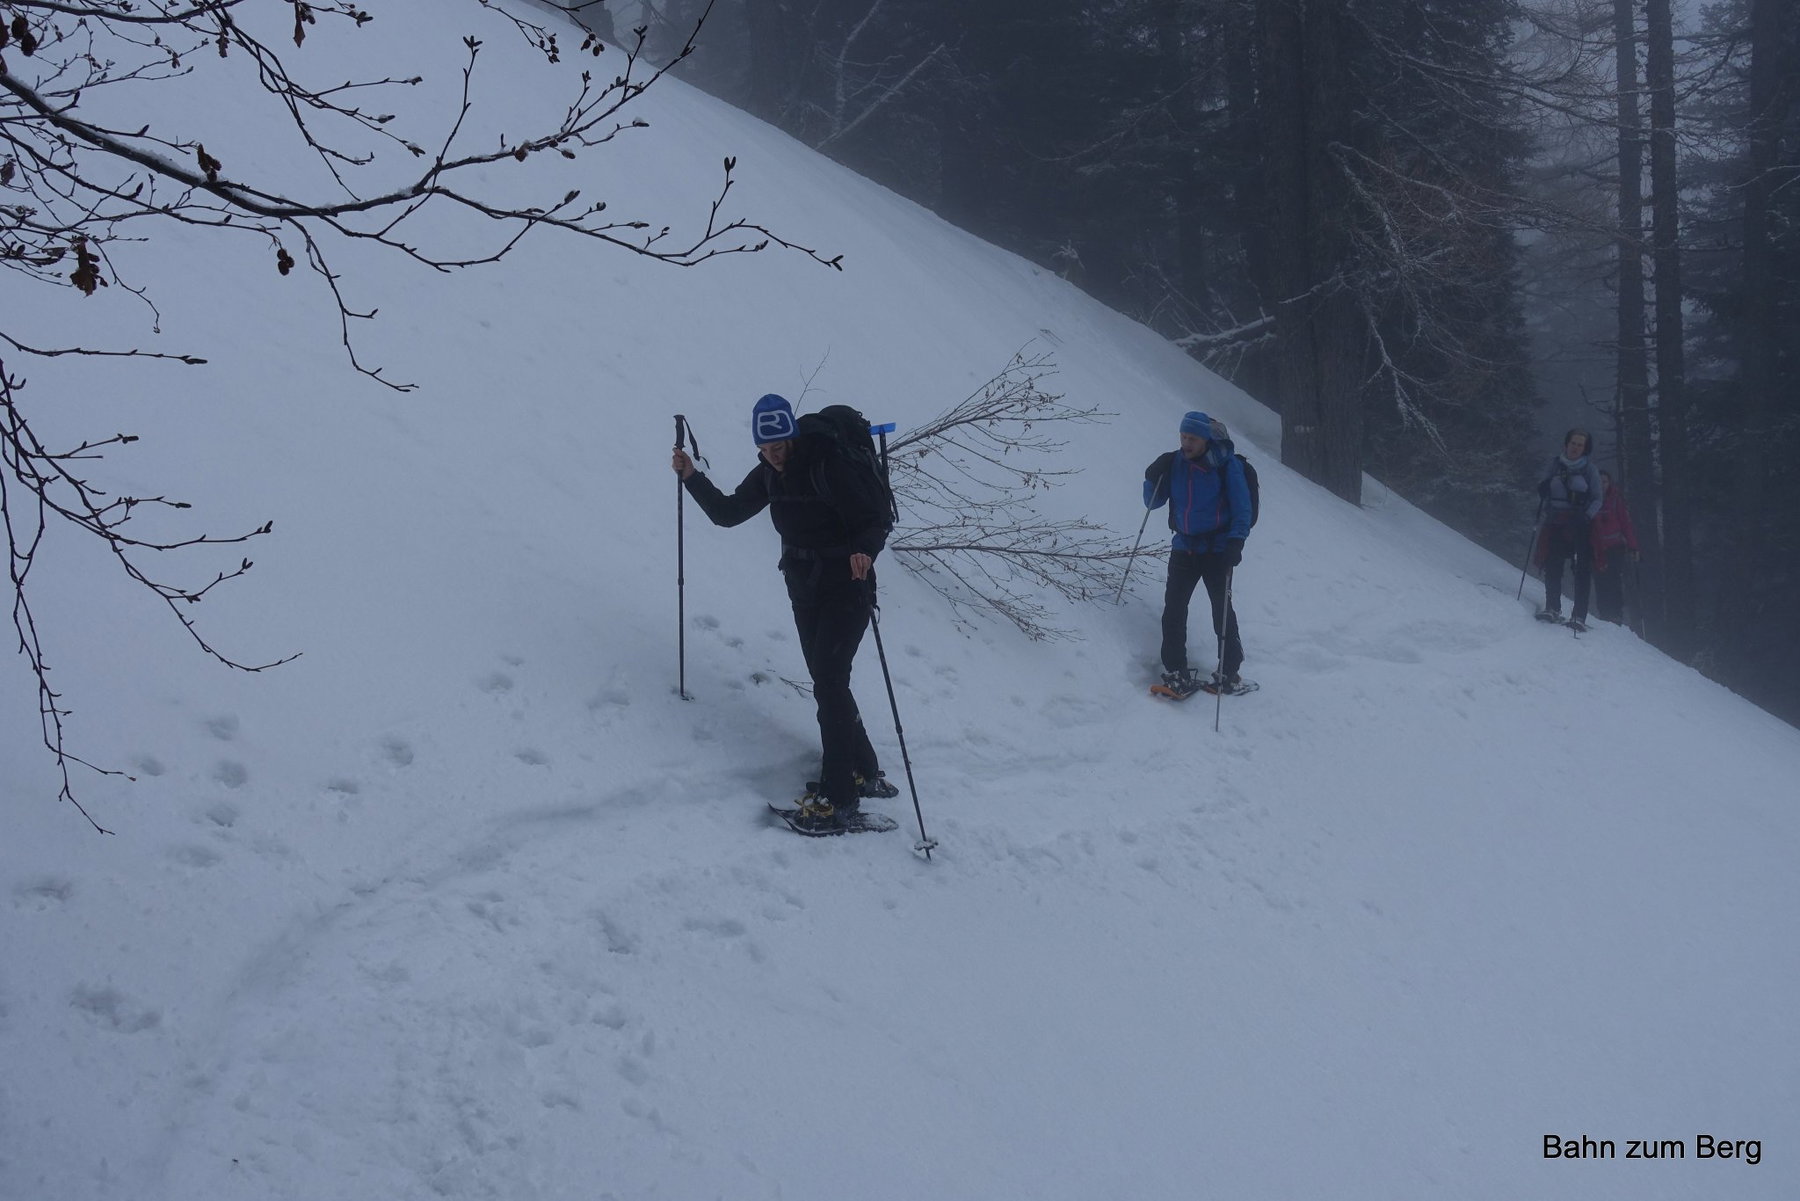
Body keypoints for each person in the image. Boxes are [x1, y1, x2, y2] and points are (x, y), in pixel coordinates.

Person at [672, 393, 896, 827]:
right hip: (803, 587)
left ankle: (840, 798)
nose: (774, 456)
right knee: (827, 681)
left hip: (847, 586)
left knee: (830, 683)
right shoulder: (768, 474)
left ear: (792, 437)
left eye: (780, 447)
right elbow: (727, 513)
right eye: (766, 448)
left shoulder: (829, 466)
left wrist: (866, 552)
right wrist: (691, 477)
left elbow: (877, 517)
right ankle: (861, 770)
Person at [1144, 410, 1252, 697]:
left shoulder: (1227, 466)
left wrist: (1236, 543)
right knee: (1174, 610)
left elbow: (1243, 508)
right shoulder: (1175, 463)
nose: (1186, 443)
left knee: (1222, 611)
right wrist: (1152, 476)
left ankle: (1230, 671)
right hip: (1184, 547)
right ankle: (1176, 672)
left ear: (1205, 440)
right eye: (1183, 437)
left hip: (1218, 550)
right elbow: (1151, 503)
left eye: (1192, 438)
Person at [1534, 427, 1604, 631]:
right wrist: (1543, 490)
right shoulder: (1555, 464)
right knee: (1553, 564)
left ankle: (1579, 616)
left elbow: (1598, 498)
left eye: (1580, 445)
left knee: (1581, 570)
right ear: (1566, 444)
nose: (1575, 447)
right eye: (1573, 443)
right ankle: (1552, 607)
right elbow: (1544, 487)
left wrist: (1587, 516)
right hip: (1556, 521)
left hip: (1580, 525)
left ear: (1585, 448)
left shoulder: (1590, 470)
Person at [1589, 469, 1641, 625]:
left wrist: (1633, 546)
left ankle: (1616, 613)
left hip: (1615, 548)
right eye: (1599, 481)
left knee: (1613, 579)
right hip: (1596, 548)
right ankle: (1604, 612)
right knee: (1600, 580)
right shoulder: (1590, 500)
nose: (1602, 485)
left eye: (1604, 481)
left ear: (1609, 483)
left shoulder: (1616, 500)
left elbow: (1626, 524)